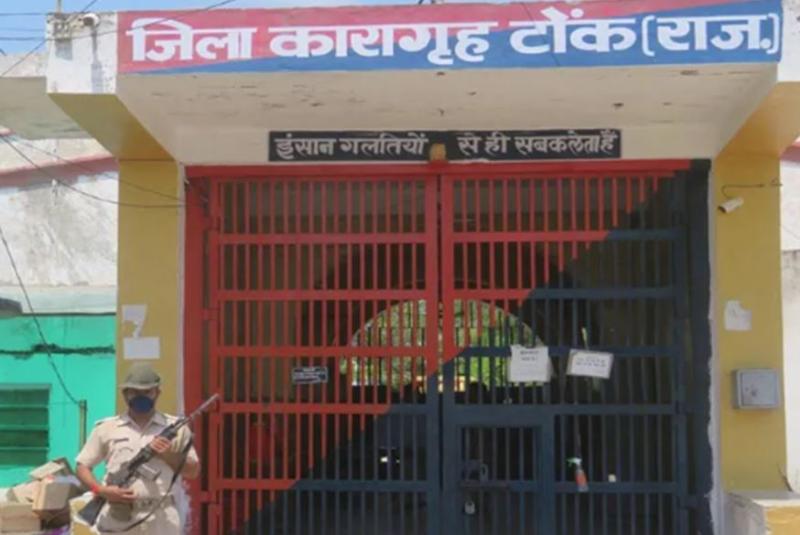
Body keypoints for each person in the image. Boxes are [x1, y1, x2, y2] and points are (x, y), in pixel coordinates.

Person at [75, 363, 200, 534]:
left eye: (147, 392)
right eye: (134, 392)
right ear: (125, 394)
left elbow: (193, 471)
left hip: (162, 520)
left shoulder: (176, 429)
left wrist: (168, 454)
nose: (141, 396)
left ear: (157, 393)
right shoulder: (106, 428)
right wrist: (101, 490)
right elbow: (82, 466)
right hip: (119, 518)